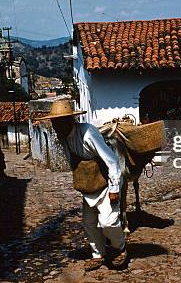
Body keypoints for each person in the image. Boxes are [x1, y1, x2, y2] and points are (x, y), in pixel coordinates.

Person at [36, 100, 127, 271]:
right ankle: (98, 255)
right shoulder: (64, 139)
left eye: (60, 122)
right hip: (90, 186)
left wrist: (114, 188)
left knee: (108, 222)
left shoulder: (88, 134)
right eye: (54, 123)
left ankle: (120, 248)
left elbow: (112, 161)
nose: (56, 127)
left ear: (70, 121)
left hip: (107, 182)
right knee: (89, 222)